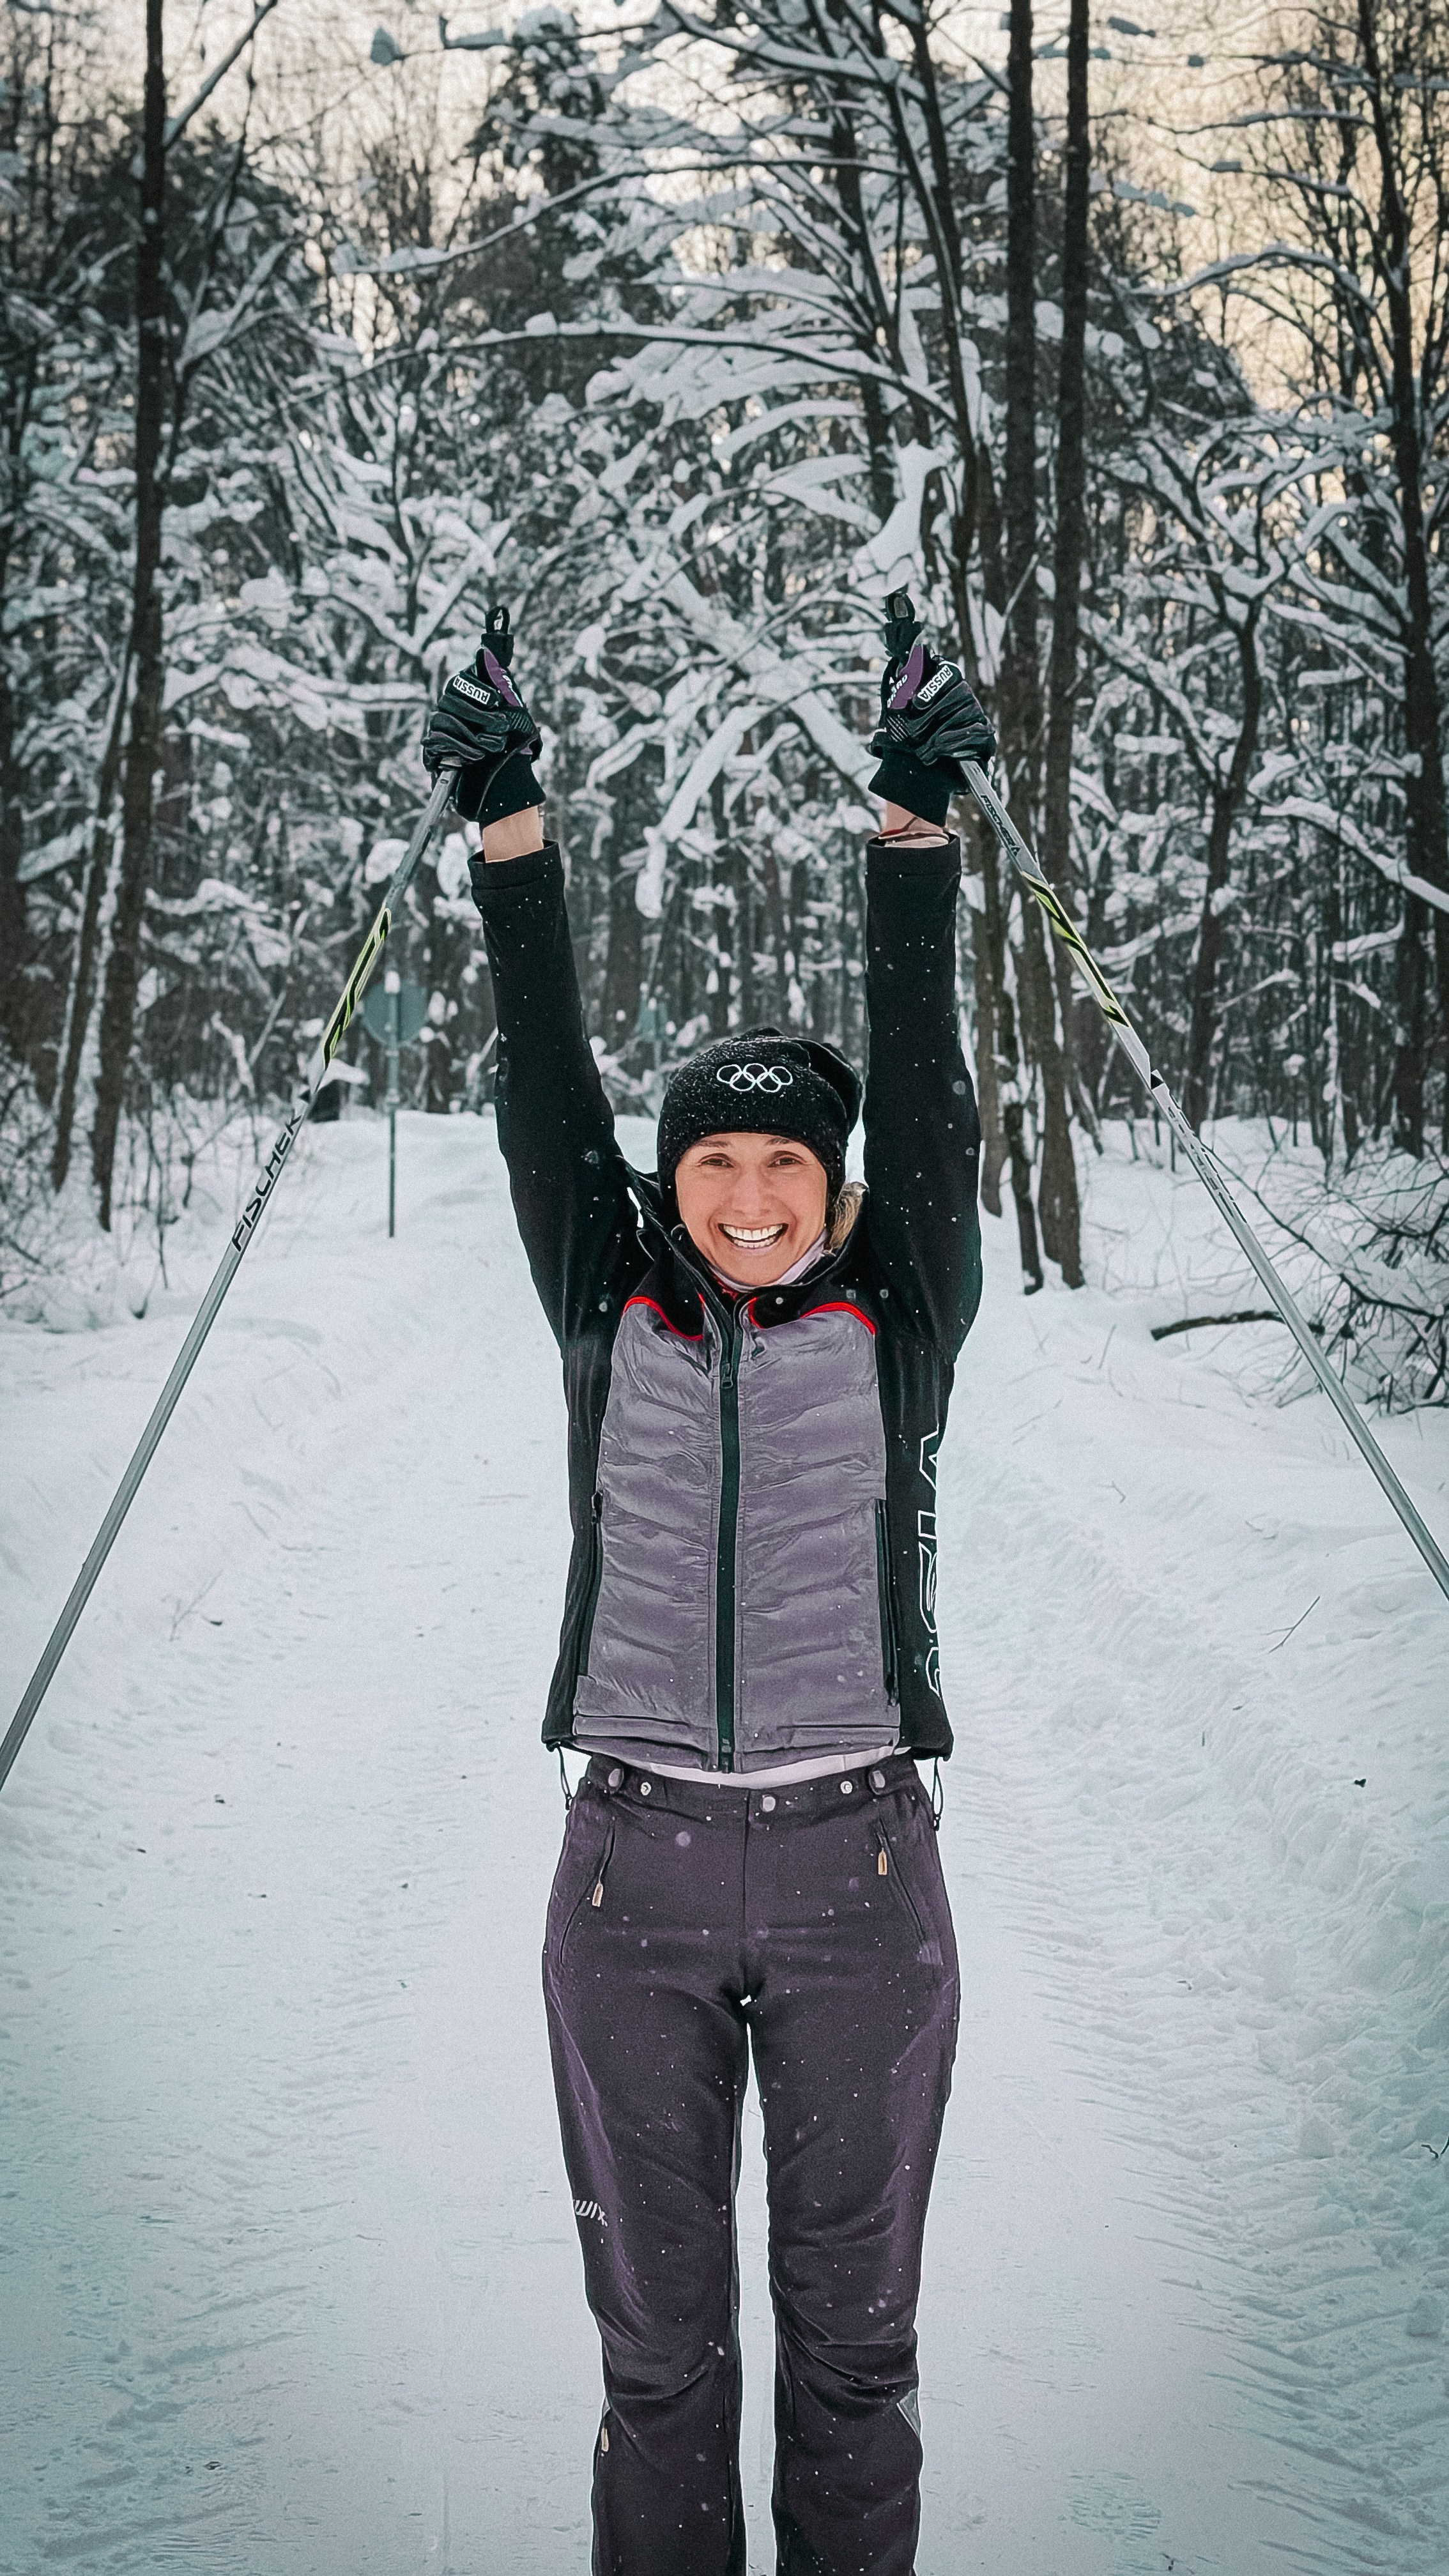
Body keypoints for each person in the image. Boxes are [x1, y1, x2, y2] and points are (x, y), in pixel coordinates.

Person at [422, 599, 995, 2576]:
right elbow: (537, 1076)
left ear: (837, 1191)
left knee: (854, 2357)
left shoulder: (900, 1307)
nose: (747, 1200)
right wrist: (510, 825)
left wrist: (911, 820)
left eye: (785, 1170)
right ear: (665, 1187)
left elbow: (918, 1066)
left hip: (857, 1879)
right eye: (711, 1167)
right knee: (656, 2363)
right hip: (629, 1882)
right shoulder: (610, 1304)